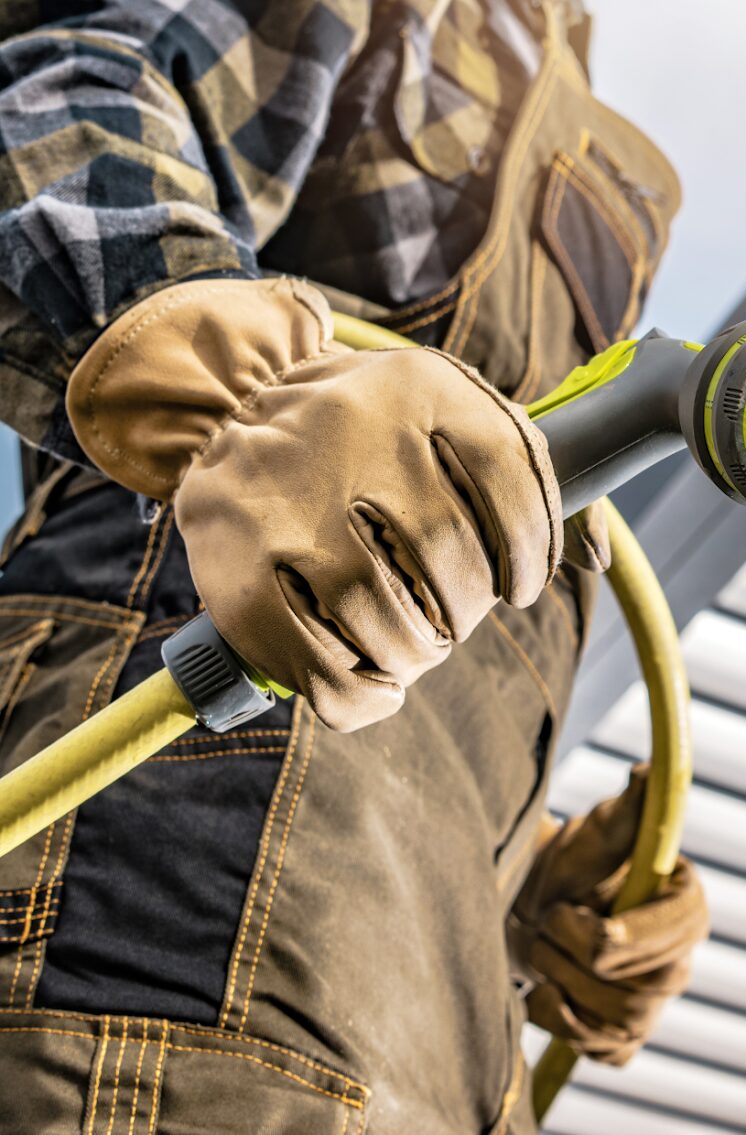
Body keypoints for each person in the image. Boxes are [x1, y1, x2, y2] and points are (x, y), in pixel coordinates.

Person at [0, 2, 708, 1130]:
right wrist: (239, 397)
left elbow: (429, 657)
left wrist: (518, 902)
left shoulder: (571, 99)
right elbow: (60, 89)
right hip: (188, 918)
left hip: (421, 1027)